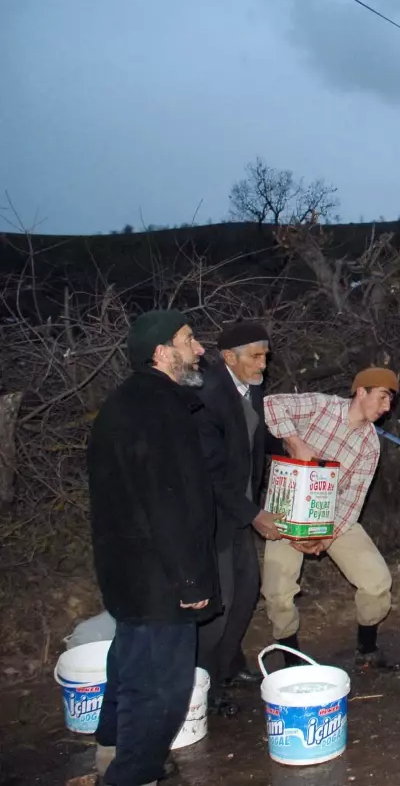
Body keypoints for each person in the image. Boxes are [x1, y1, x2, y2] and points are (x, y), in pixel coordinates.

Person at [87, 309, 219, 786]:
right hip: (160, 575)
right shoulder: (161, 409)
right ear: (162, 352)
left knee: (128, 662)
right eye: (189, 339)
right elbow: (169, 501)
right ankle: (132, 774)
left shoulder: (122, 403)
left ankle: (110, 748)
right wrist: (190, 579)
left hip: (126, 571)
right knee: (162, 687)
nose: (200, 348)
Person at [260, 367, 400, 672]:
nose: (386, 408)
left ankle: (367, 649)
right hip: (287, 507)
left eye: (390, 401)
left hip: (331, 515)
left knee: (377, 582)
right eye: (382, 397)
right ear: (361, 392)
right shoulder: (321, 406)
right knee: (278, 588)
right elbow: (271, 403)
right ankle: (291, 661)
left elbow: (353, 500)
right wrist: (295, 442)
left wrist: (324, 537)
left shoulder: (369, 445)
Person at [193, 321, 283, 716]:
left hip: (241, 509)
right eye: (255, 356)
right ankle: (202, 685)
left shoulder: (252, 386)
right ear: (229, 357)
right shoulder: (207, 395)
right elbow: (207, 473)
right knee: (220, 601)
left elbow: (253, 436)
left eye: (265, 354)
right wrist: (254, 514)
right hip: (213, 515)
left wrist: (285, 445)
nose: (263, 363)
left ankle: (229, 666)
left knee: (247, 590)